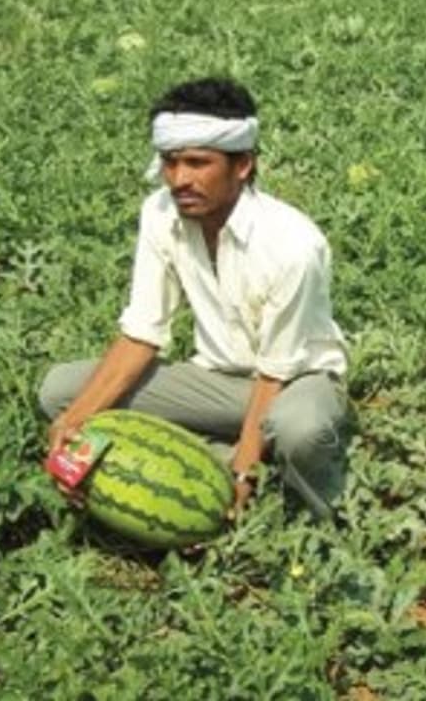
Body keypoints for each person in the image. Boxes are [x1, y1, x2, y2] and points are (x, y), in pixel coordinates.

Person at [38, 77, 351, 521]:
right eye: (170, 162)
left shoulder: (292, 246)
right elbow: (142, 333)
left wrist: (242, 475)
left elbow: (274, 373)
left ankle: (314, 514)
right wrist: (74, 421)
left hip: (296, 383)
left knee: (300, 428)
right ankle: (213, 463)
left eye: (197, 163)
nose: (180, 179)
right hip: (219, 383)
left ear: (242, 165)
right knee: (62, 392)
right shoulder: (160, 214)